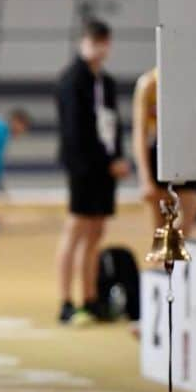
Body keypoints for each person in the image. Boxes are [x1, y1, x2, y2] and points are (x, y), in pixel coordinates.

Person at [55, 19, 130, 325]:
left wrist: (119, 159)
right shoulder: (72, 80)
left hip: (106, 169)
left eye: (104, 41)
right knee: (75, 230)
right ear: (83, 42)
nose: (99, 47)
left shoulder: (107, 83)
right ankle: (65, 301)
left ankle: (90, 297)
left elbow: (113, 126)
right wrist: (102, 162)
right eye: (93, 40)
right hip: (84, 166)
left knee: (97, 232)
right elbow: (76, 132)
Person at [132, 66, 196, 235]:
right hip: (159, 153)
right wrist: (145, 178)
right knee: (161, 230)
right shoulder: (149, 84)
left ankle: (178, 259)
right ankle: (166, 260)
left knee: (186, 225)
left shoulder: (192, 81)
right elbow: (140, 133)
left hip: (188, 153)